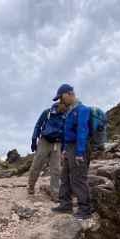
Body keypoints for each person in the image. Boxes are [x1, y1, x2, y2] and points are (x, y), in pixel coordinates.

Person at [51, 84, 93, 220]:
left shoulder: (82, 110)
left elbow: (82, 131)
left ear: (69, 94)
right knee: (65, 178)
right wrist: (63, 150)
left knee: (78, 178)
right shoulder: (69, 112)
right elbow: (65, 133)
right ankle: (65, 205)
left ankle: (85, 209)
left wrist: (80, 152)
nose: (60, 101)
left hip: (78, 146)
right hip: (69, 147)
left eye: (61, 97)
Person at [28, 101, 67, 200]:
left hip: (57, 144)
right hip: (44, 141)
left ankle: (55, 194)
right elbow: (38, 125)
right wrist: (34, 140)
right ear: (60, 104)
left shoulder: (65, 116)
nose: (66, 108)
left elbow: (65, 133)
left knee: (56, 169)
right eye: (65, 106)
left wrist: (63, 148)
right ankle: (31, 186)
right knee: (37, 165)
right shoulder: (47, 112)